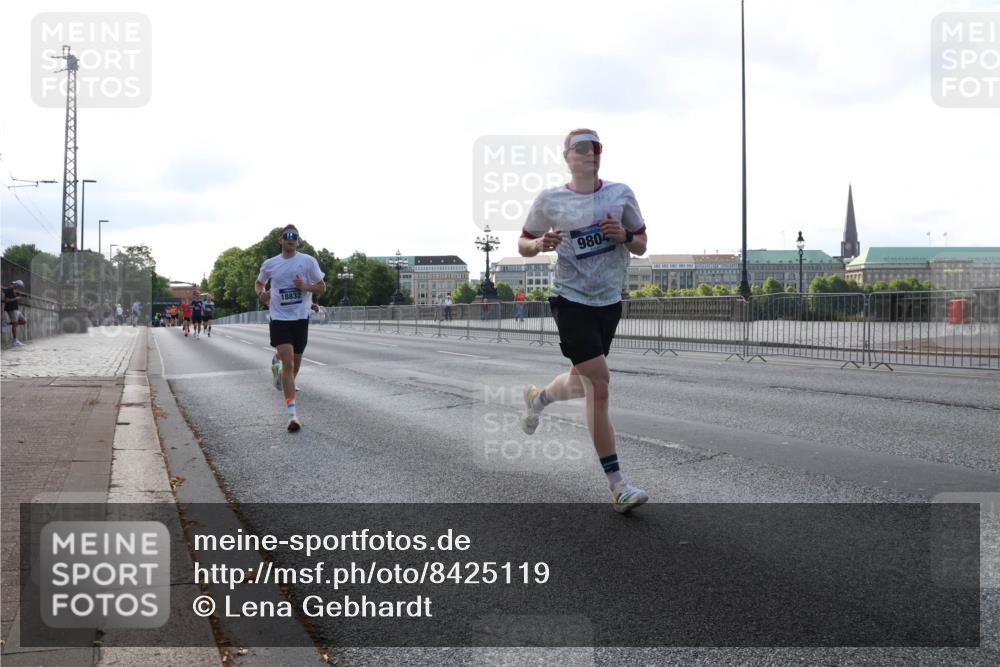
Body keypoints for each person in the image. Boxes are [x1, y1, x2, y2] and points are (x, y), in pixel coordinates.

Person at [518, 128, 650, 513]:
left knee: (582, 382)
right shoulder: (551, 199)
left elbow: (642, 244)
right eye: (579, 150)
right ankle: (618, 485)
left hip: (608, 302)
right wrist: (539, 244)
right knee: (600, 384)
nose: (587, 156)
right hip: (570, 299)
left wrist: (624, 234)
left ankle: (538, 398)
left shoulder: (620, 194)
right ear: (567, 157)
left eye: (593, 150)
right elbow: (522, 244)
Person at [255, 224, 326, 432]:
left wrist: (305, 287)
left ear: (298, 240)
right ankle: (292, 415)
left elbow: (322, 287)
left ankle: (279, 376)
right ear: (281, 240)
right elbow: (259, 283)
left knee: (293, 366)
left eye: (294, 236)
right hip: (279, 317)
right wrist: (262, 294)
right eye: (287, 236)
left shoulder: (308, 261)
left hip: (300, 318)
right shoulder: (270, 264)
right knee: (287, 361)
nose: (290, 239)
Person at [2, 279, 27, 347]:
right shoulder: (9, 289)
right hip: (11, 309)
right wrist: (16, 298)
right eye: (19, 286)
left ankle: (7, 324)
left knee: (24, 321)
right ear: (16, 285)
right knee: (15, 323)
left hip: (16, 309)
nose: (20, 288)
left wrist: (16, 297)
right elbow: (6, 300)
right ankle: (15, 341)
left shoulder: (14, 290)